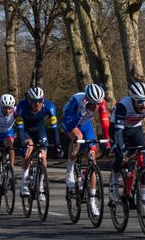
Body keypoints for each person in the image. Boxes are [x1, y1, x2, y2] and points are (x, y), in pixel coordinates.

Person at [109, 82, 145, 217]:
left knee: (144, 162)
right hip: (117, 130)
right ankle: (113, 185)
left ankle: (143, 202)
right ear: (133, 99)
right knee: (119, 155)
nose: (144, 105)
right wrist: (122, 150)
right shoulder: (123, 105)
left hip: (135, 129)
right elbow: (118, 132)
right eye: (140, 101)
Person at [62, 84, 110, 216]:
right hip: (71, 121)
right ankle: (70, 169)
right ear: (87, 99)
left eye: (98, 104)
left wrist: (107, 143)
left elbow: (105, 123)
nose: (95, 106)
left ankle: (92, 200)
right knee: (78, 137)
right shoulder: (76, 101)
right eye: (92, 103)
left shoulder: (101, 102)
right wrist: (83, 111)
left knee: (92, 158)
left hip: (86, 124)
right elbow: (71, 123)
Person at [16, 87, 62, 199]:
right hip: (26, 130)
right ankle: (24, 184)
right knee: (29, 149)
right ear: (29, 101)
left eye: (40, 101)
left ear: (43, 99)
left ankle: (40, 186)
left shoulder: (49, 107)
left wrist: (57, 145)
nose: (37, 104)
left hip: (40, 129)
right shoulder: (22, 107)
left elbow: (54, 128)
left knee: (44, 157)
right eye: (34, 102)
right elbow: (20, 129)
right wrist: (23, 145)